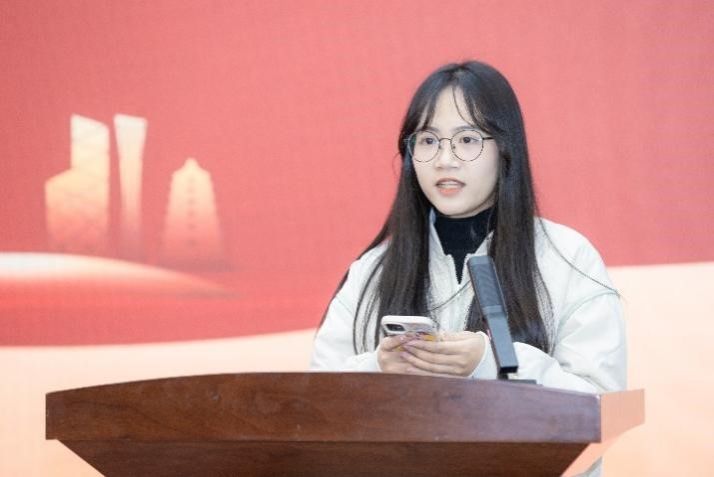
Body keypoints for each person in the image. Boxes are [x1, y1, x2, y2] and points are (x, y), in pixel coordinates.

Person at [310, 60, 625, 397]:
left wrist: (491, 363)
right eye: (428, 140)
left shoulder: (567, 257)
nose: (445, 159)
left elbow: (602, 404)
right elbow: (316, 401)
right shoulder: (371, 271)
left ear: (505, 148)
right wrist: (378, 368)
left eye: (467, 139)